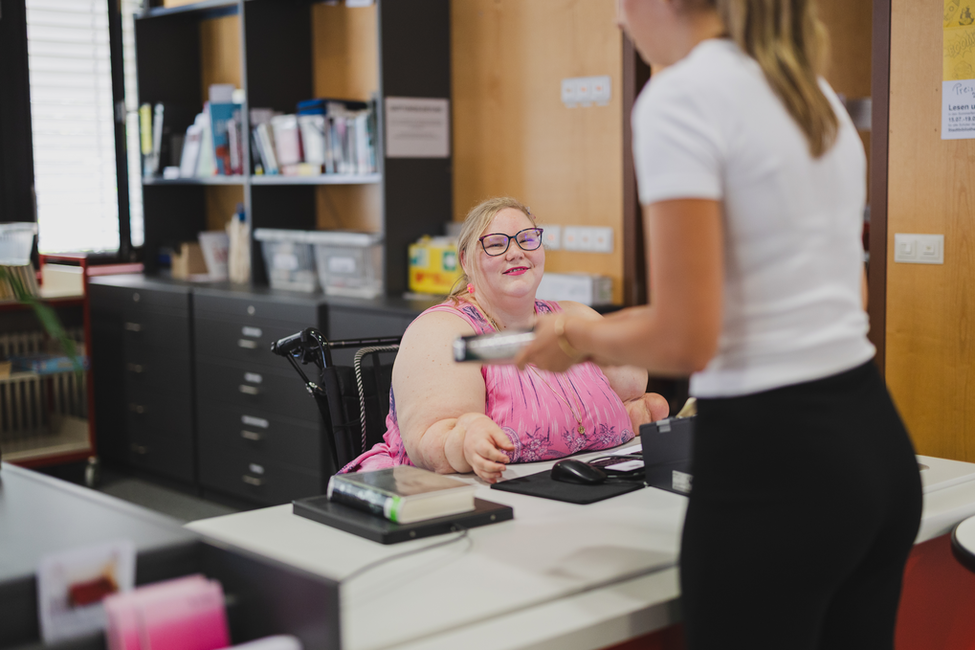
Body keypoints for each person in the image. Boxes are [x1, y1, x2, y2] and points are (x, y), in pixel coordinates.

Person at [516, 1, 923, 648]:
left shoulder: (681, 96)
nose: (618, 19)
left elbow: (686, 337)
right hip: (873, 445)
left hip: (777, 464)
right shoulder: (807, 92)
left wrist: (578, 335)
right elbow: (847, 295)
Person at [340, 196, 670, 483]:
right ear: (465, 261)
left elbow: (633, 386)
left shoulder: (573, 317)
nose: (516, 252)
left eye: (527, 239)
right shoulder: (441, 331)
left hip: (585, 492)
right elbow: (432, 441)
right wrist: (465, 440)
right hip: (461, 501)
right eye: (496, 244)